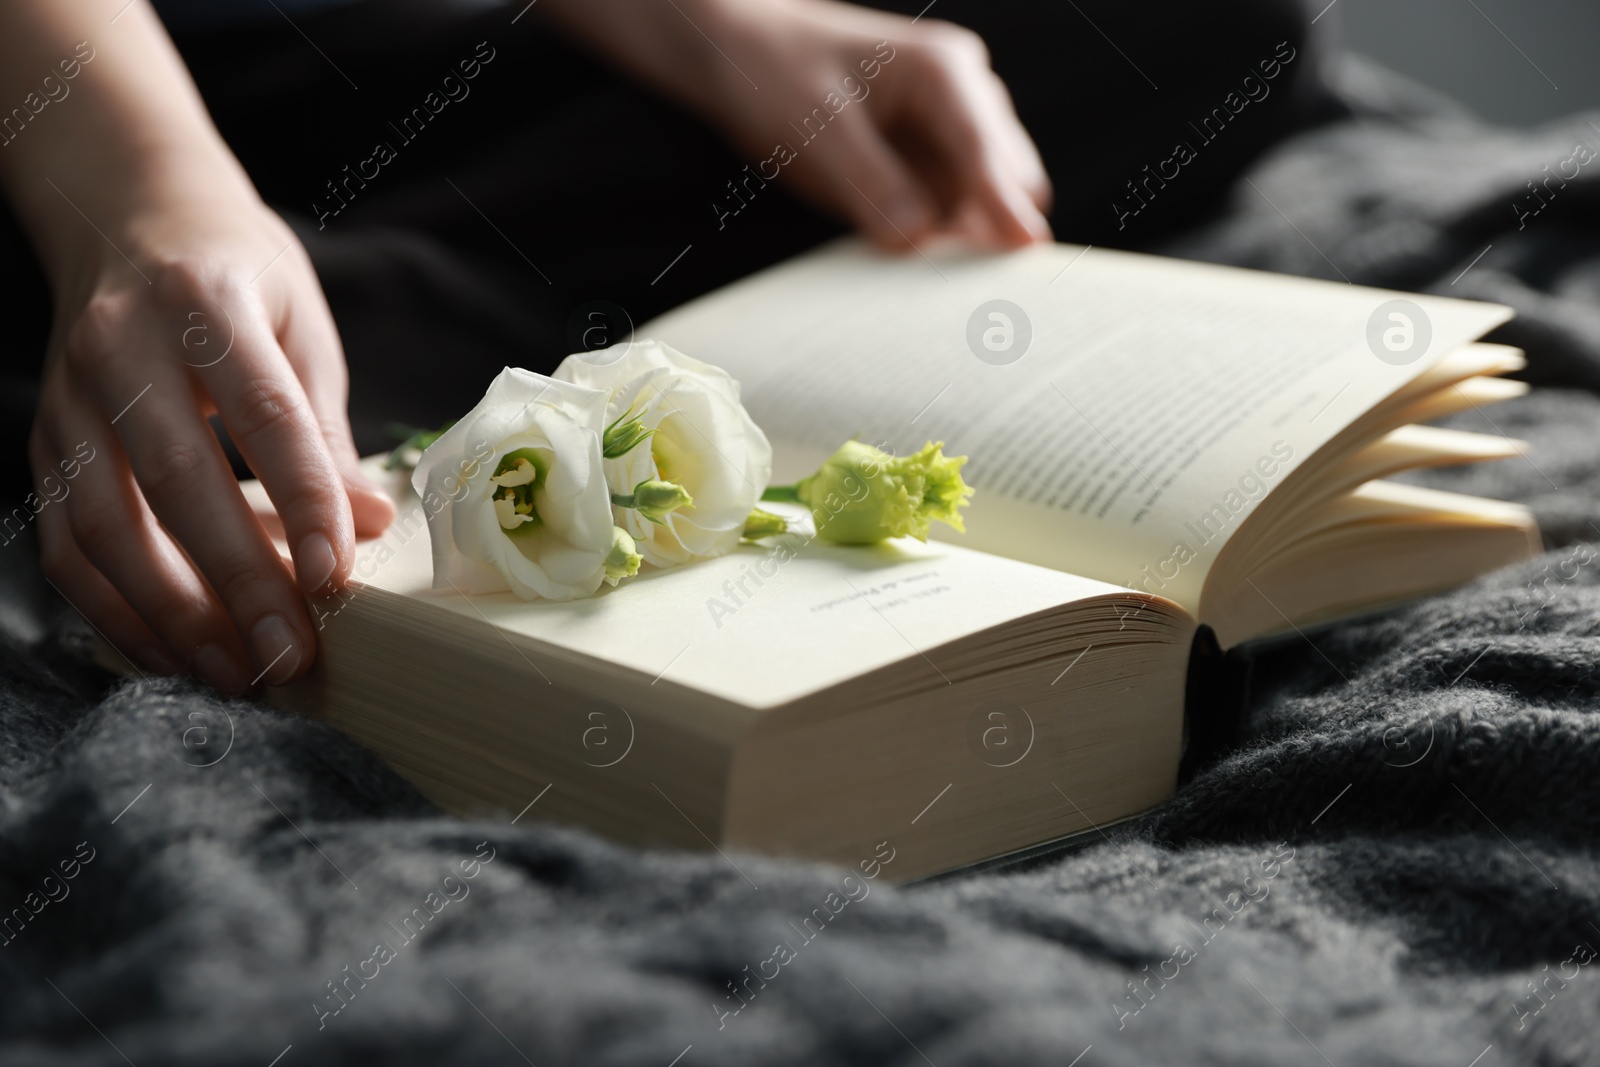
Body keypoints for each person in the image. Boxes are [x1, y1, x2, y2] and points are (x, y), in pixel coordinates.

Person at [0, 0, 1328, 692]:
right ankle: (236, 306)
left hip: (423, 50)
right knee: (192, 374)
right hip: (83, 80)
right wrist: (132, 198)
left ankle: (365, 306)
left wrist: (697, 20)